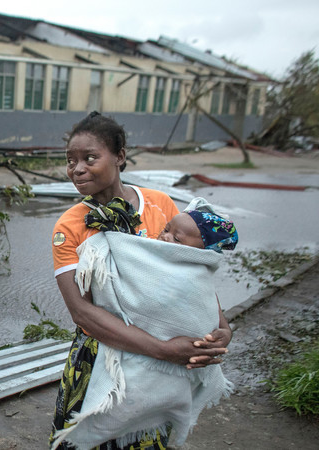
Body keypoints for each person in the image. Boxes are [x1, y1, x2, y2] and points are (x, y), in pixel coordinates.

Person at [50, 112, 232, 449]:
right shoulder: (70, 227)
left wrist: (220, 325)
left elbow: (194, 271)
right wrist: (163, 350)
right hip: (102, 356)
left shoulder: (161, 206)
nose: (77, 168)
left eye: (90, 157)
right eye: (70, 160)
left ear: (119, 156)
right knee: (87, 437)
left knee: (146, 440)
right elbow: (82, 312)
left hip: (162, 364)